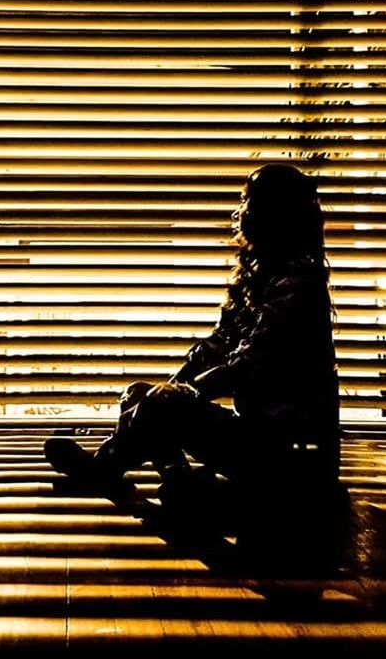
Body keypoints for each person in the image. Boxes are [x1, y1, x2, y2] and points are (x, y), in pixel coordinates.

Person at [43, 164, 339, 522]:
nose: (241, 212)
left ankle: (103, 469)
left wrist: (179, 395)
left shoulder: (296, 286)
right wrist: (172, 387)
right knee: (140, 394)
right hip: (261, 440)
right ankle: (177, 479)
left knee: (158, 404)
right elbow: (217, 345)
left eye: (250, 202)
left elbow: (246, 366)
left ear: (276, 215)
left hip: (287, 459)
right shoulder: (263, 275)